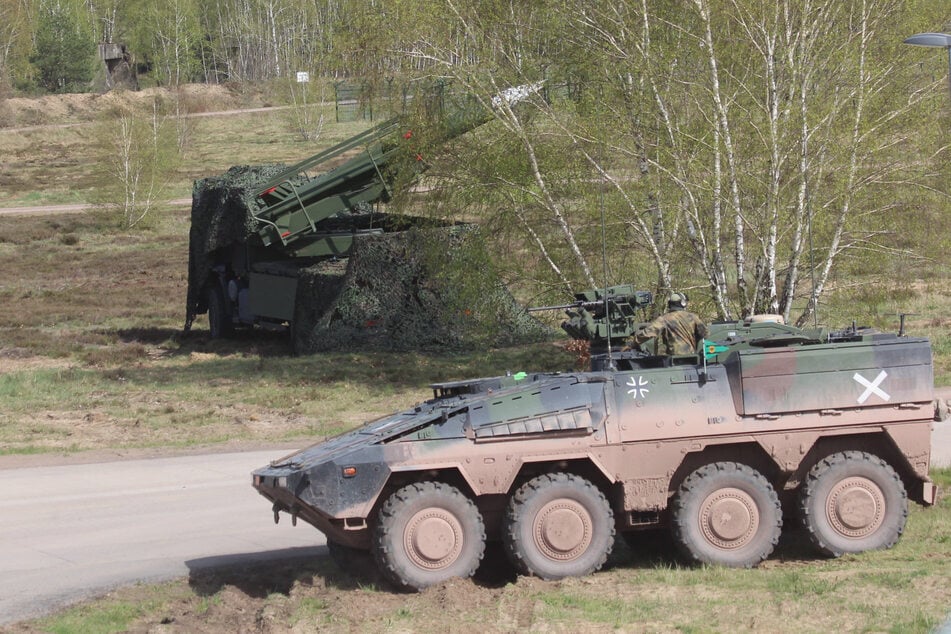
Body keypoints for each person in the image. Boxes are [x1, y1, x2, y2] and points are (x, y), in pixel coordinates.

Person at [626, 292, 707, 356]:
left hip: (674, 359)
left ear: (670, 304)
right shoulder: (693, 317)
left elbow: (648, 333)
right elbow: (705, 334)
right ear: (683, 303)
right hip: (692, 357)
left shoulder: (664, 319)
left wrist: (632, 344)